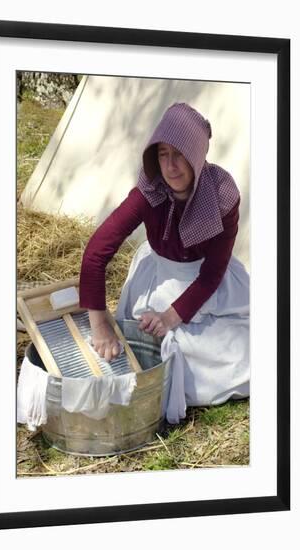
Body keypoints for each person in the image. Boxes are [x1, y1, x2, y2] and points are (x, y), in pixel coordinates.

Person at [79, 102, 249, 413]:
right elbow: (95, 253)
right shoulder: (149, 191)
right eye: (162, 154)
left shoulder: (222, 195)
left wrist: (170, 317)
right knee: (153, 345)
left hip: (206, 284)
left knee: (232, 352)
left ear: (197, 155)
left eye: (180, 154)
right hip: (158, 276)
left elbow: (212, 274)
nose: (170, 167)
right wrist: (99, 323)